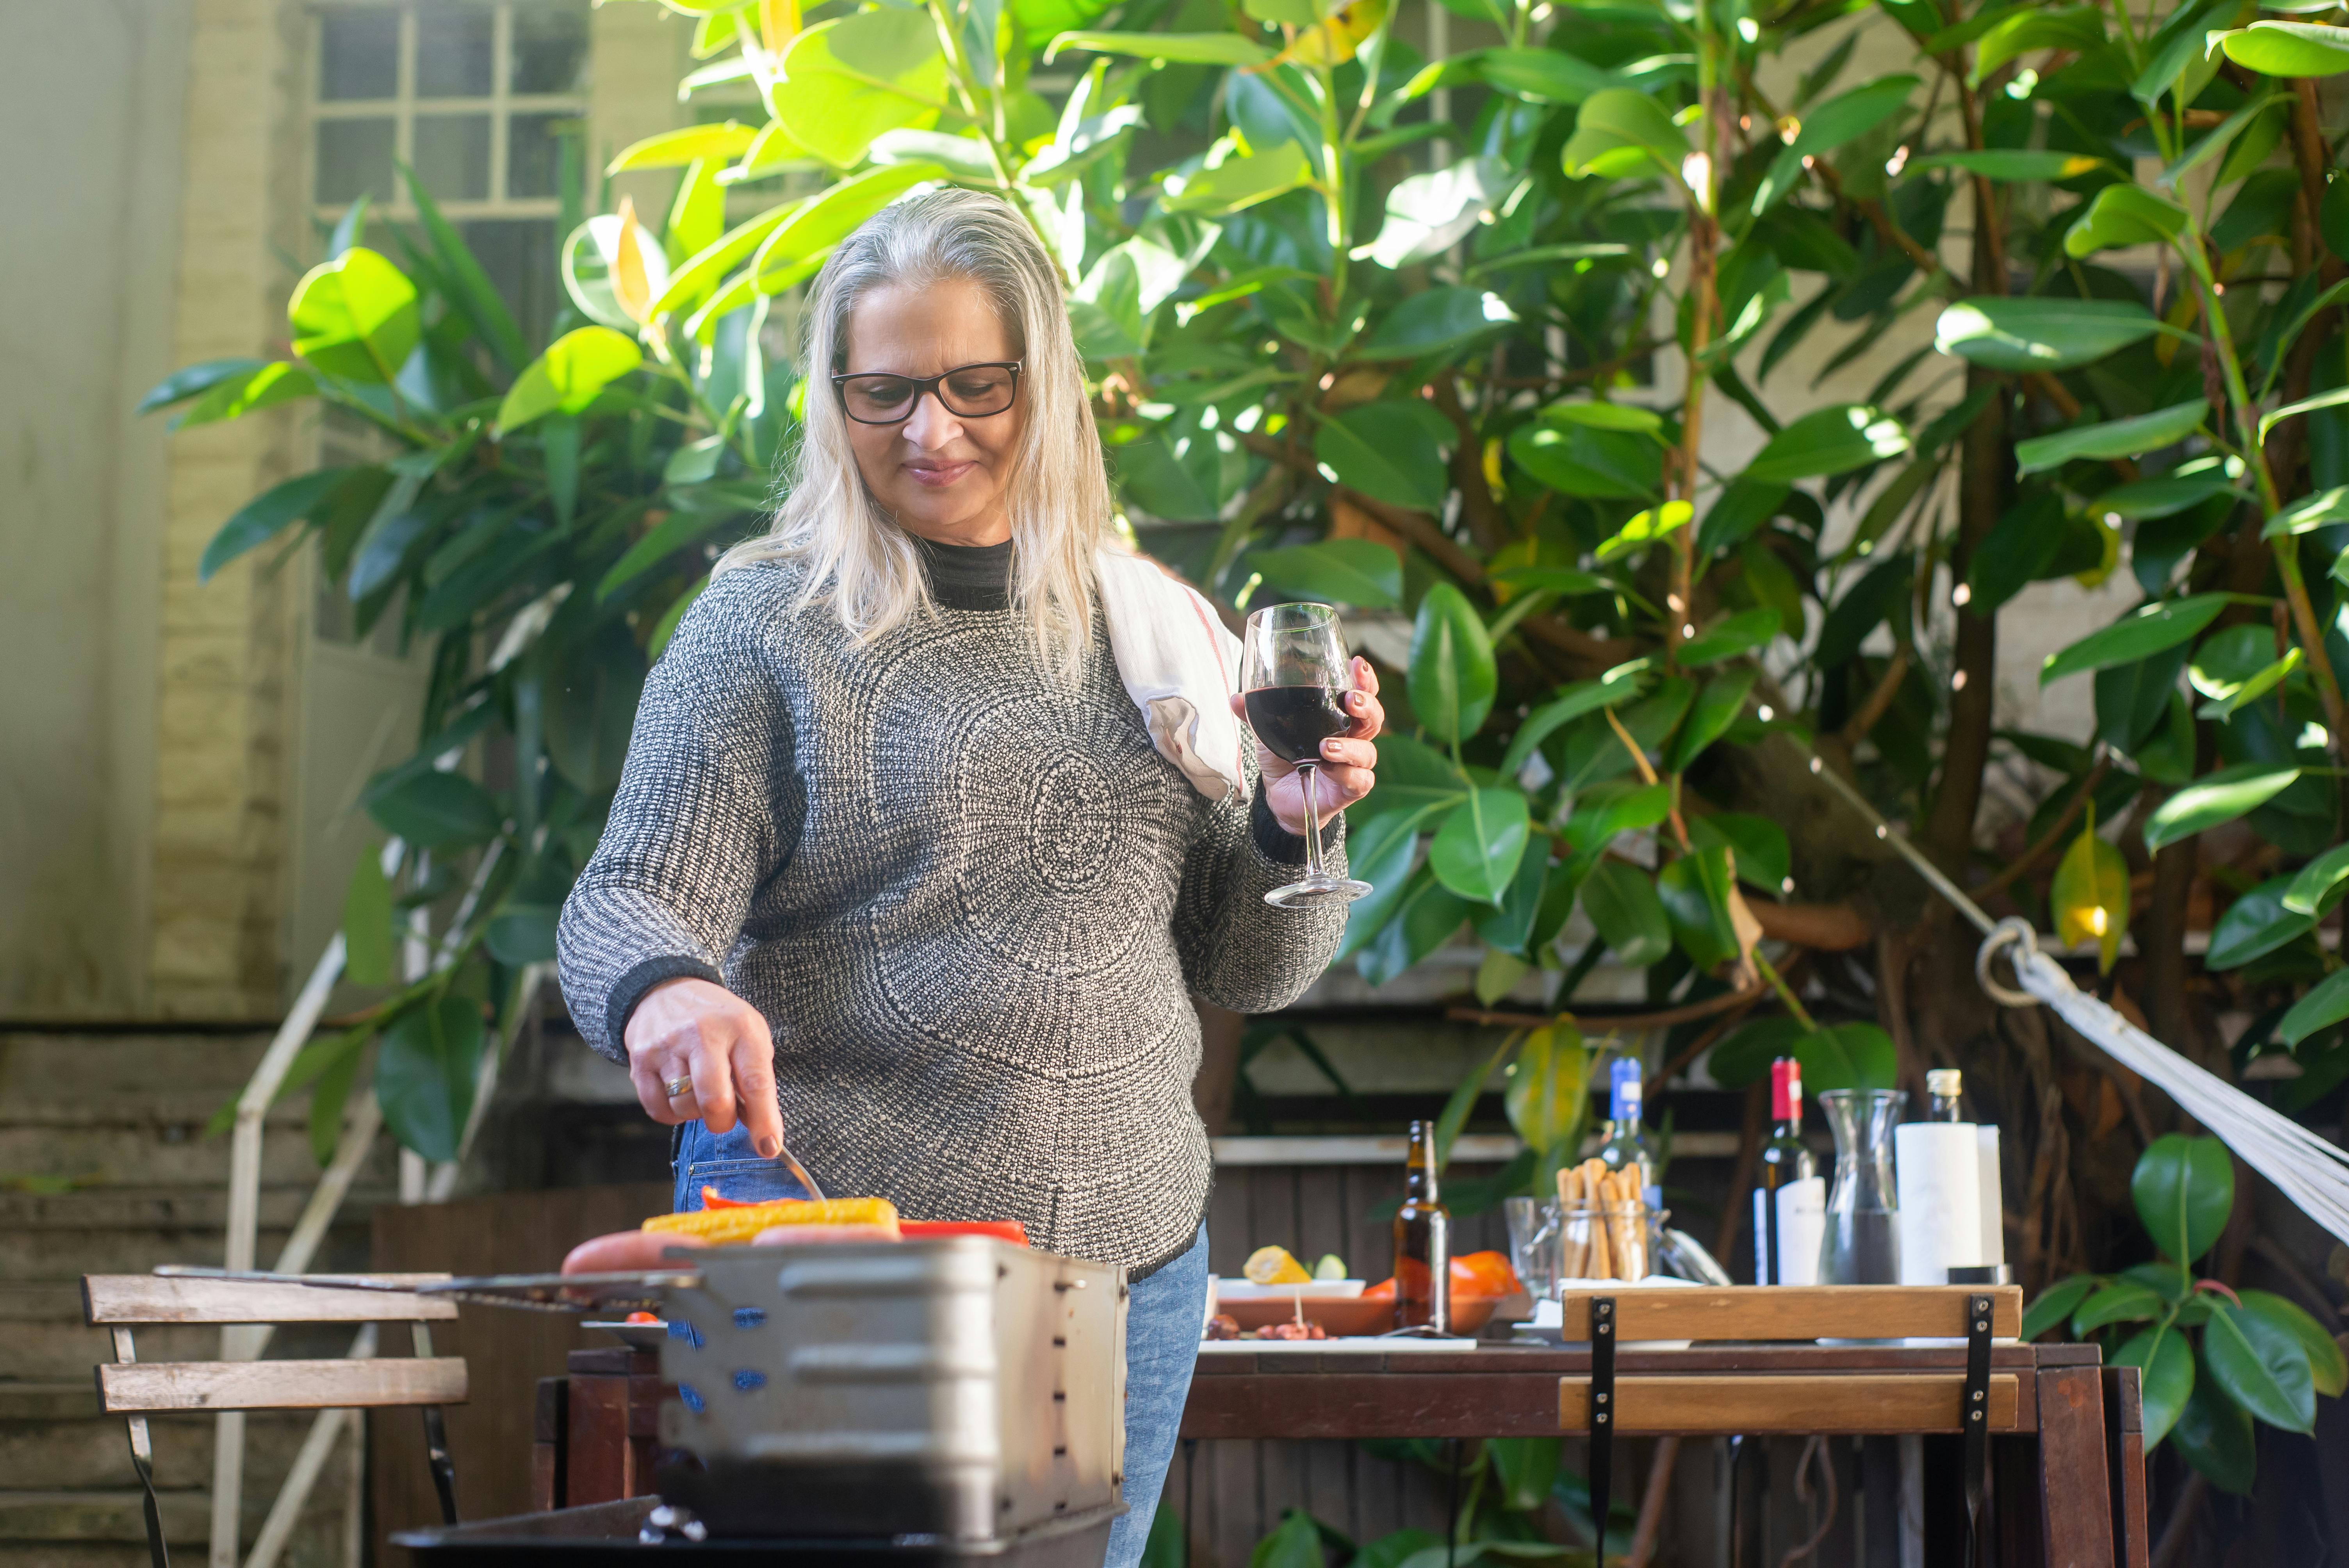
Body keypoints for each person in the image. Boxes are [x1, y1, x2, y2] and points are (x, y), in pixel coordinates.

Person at [555, 187, 1383, 1566]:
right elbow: (628, 894)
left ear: (1043, 383)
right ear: (834, 399)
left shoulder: (1155, 634)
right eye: (884, 395)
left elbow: (1251, 969)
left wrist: (1297, 826)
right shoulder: (763, 627)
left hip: (1131, 1264)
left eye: (974, 386)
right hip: (836, 1246)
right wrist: (670, 997)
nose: (931, 432)